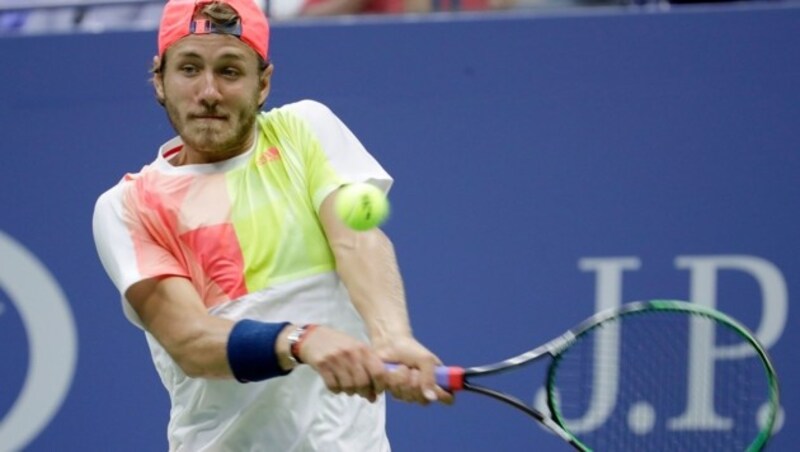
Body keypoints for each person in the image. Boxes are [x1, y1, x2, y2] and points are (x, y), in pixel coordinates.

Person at [91, 0, 452, 450]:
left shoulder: (304, 130)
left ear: (263, 84)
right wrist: (301, 340)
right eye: (189, 68)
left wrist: (392, 337)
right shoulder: (128, 205)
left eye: (229, 71)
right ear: (159, 79)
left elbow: (356, 242)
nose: (208, 91)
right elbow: (189, 339)